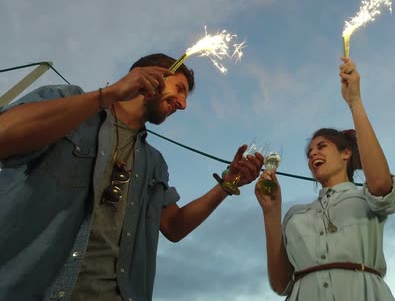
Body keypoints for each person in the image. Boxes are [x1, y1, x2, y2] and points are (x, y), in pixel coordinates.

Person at [0, 53, 264, 301]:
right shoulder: (66, 100)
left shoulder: (154, 162)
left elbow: (173, 227)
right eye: (180, 89)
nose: (183, 105)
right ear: (152, 75)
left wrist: (228, 185)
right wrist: (109, 94)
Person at [254, 57, 395, 300]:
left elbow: (382, 185)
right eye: (310, 153)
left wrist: (354, 101)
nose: (313, 154)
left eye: (322, 146)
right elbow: (281, 284)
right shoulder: (295, 215)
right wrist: (271, 212)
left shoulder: (366, 197)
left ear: (346, 153)